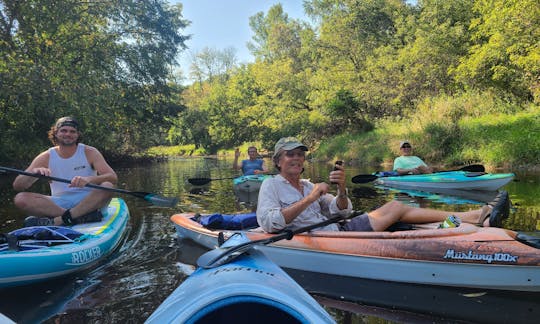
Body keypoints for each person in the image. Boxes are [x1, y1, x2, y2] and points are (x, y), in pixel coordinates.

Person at [256, 137, 509, 234]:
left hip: (340, 228)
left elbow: (340, 211)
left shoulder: (308, 183)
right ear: (278, 161)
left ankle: (471, 220)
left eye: (300, 154)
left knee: (400, 208)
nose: (297, 158)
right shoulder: (271, 185)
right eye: (290, 155)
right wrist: (310, 198)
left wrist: (342, 190)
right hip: (331, 238)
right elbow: (270, 223)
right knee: (397, 207)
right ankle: (474, 216)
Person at [13, 116, 118, 227]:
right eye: (63, 130)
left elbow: (113, 177)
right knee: (21, 198)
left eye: (72, 131)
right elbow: (18, 185)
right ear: (56, 133)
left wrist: (89, 179)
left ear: (77, 135)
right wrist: (34, 174)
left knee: (108, 185)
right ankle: (76, 217)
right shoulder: (45, 156)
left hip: (90, 202)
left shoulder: (90, 152)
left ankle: (60, 220)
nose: (68, 134)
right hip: (59, 204)